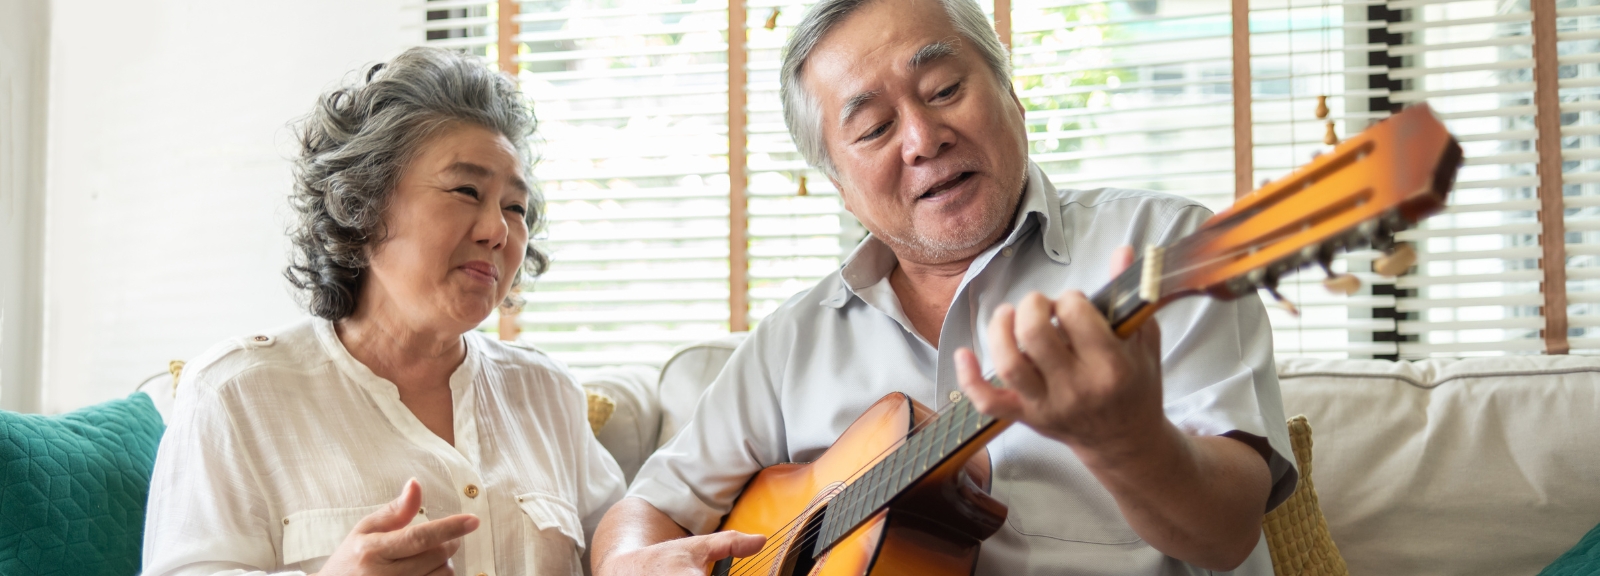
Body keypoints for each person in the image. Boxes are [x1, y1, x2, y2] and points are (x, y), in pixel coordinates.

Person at [590, 0, 1298, 573]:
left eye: (945, 91)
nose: (924, 138)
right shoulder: (792, 341)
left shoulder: (1161, 245)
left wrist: (1128, 439)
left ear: (1012, 95)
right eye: (872, 127)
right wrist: (633, 563)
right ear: (840, 187)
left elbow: (1227, 535)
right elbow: (647, 509)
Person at [142, 47, 625, 576]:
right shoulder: (236, 392)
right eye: (467, 190)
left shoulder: (546, 391)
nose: (498, 230)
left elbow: (620, 551)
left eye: (515, 206)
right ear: (363, 206)